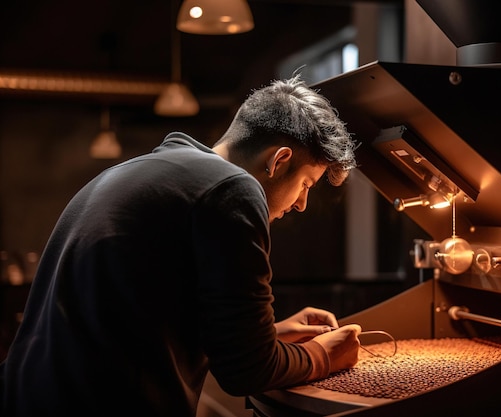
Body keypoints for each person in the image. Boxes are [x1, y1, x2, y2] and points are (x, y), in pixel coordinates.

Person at [0, 74, 362, 416]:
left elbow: (155, 317)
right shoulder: (233, 188)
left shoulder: (156, 171)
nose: (301, 203)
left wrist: (271, 334)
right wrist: (323, 356)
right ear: (279, 161)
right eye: (307, 184)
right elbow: (247, 370)